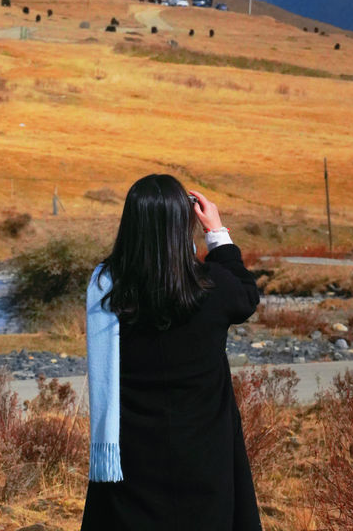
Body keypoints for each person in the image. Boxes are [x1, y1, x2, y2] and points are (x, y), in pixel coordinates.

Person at [80, 173, 262, 531]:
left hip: (130, 457)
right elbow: (247, 296)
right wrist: (217, 233)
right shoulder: (214, 286)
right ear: (185, 223)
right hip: (206, 453)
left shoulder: (108, 290)